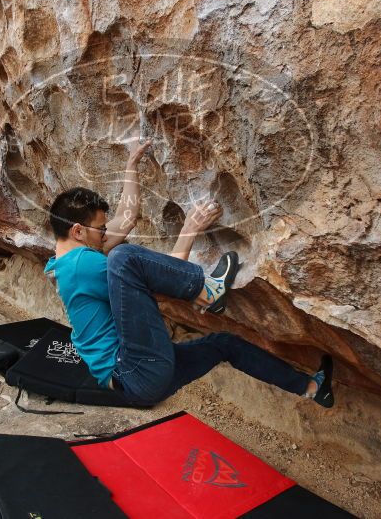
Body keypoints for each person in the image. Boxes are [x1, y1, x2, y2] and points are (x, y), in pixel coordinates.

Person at [44, 140, 334, 407]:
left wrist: (132, 166)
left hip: (137, 381)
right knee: (123, 255)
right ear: (78, 231)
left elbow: (126, 218)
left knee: (224, 344)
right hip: (135, 370)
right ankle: (208, 292)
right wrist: (190, 228)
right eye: (101, 229)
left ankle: (311, 388)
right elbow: (162, 282)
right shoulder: (83, 263)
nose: (106, 234)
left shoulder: (66, 263)